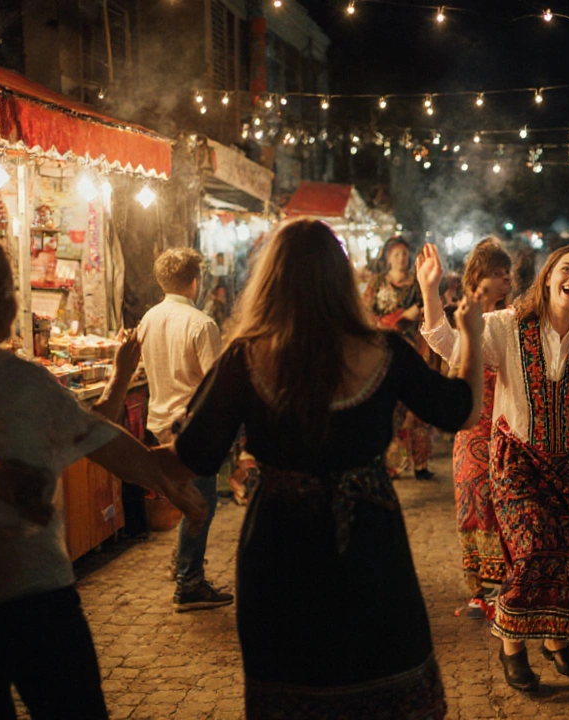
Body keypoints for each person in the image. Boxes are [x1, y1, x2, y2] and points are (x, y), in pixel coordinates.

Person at [162, 219, 484, 718]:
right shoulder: (385, 351)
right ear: (342, 278)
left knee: (290, 683)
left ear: (271, 278)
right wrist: (472, 338)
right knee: (382, 679)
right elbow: (459, 411)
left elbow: (195, 456)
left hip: (278, 543)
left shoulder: (245, 358)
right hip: (369, 541)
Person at [0, 236, 206, 719]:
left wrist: (124, 381)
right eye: (10, 288)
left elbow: (96, 433)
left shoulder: (18, 380)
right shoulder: (17, 379)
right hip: (32, 592)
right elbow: (106, 441)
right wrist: (166, 480)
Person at [420, 242, 569, 692]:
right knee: (531, 551)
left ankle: (558, 641)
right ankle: (512, 646)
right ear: (548, 277)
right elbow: (449, 344)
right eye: (567, 269)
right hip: (516, 460)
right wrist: (430, 291)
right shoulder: (510, 326)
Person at [137, 248, 234, 612]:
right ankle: (189, 583)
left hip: (159, 423)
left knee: (185, 498)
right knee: (199, 503)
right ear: (195, 280)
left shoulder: (147, 319)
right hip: (190, 428)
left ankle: (183, 566)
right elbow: (215, 384)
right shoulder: (201, 324)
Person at [450, 238, 514, 615]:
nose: (505, 281)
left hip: (504, 425)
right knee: (473, 501)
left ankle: (503, 585)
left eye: (508, 275)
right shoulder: (460, 318)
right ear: (478, 277)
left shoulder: (511, 321)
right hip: (472, 426)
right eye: (497, 274)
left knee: (503, 501)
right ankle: (478, 588)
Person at [364, 236, 436, 480]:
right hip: (384, 351)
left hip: (413, 350)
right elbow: (365, 313)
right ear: (387, 258)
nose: (402, 259)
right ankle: (389, 463)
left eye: (405, 254)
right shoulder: (377, 283)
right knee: (388, 407)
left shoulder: (417, 284)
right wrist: (390, 321)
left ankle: (420, 464)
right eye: (397, 254)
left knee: (416, 407)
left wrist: (417, 315)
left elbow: (430, 309)